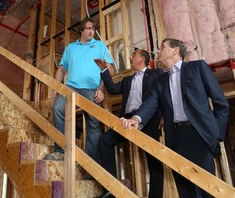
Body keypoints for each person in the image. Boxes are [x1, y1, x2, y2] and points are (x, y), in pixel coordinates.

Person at [122, 38, 229, 198]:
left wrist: (216, 134)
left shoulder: (197, 67)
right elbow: (151, 102)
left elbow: (221, 103)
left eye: (162, 47)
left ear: (175, 50)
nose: (158, 51)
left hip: (200, 135)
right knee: (184, 189)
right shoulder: (161, 81)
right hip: (175, 138)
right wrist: (136, 119)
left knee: (205, 190)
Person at [94, 48, 164, 198]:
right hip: (126, 121)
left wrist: (163, 116)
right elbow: (112, 89)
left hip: (148, 120)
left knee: (155, 163)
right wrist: (104, 69)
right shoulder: (127, 80)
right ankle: (110, 189)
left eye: (134, 55)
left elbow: (162, 95)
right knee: (105, 140)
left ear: (142, 59)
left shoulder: (156, 74)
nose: (130, 57)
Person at [44, 18, 113, 163]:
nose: (91, 31)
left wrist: (102, 89)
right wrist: (56, 86)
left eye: (93, 28)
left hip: (93, 88)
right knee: (58, 108)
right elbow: (62, 68)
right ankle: (60, 151)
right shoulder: (70, 48)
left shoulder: (100, 45)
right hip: (72, 87)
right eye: (88, 28)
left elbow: (109, 68)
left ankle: (90, 163)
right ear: (81, 31)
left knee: (93, 124)